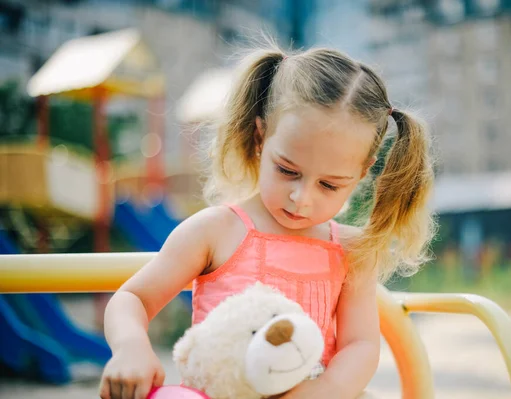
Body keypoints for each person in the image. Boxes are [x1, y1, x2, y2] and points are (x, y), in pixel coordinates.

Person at [99, 43, 435, 399]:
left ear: (362, 172)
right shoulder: (216, 230)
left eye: (329, 184)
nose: (301, 197)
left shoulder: (350, 250)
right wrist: (131, 348)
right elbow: (133, 298)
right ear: (261, 137)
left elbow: (361, 345)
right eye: (287, 170)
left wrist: (324, 391)